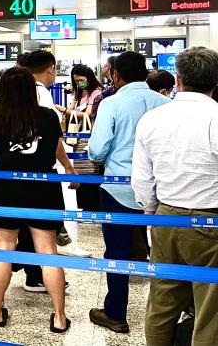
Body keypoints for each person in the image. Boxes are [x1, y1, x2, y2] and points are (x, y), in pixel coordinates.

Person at [133, 47, 218, 346]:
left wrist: (152, 211)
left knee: (162, 300)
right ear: (215, 82)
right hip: (210, 220)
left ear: (178, 79)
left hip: (166, 217)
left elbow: (142, 178)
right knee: (210, 308)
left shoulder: (152, 118)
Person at [0, 66, 74, 333]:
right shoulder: (47, 116)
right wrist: (68, 167)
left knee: (3, 248)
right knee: (48, 251)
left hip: (5, 186)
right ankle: (59, 317)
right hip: (43, 187)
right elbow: (55, 147)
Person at [86, 51, 169, 334]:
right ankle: (169, 317)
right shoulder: (164, 103)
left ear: (116, 75)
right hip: (161, 190)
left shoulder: (111, 103)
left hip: (118, 189)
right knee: (165, 254)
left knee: (117, 251)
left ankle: (115, 313)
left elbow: (97, 150)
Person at [19, 50, 89, 258]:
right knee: (50, 212)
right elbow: (52, 136)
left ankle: (32, 259)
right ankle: (60, 244)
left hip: (16, 164)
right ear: (51, 68)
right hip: (41, 165)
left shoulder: (18, 91)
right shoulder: (42, 93)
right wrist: (68, 166)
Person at [91, 55, 118, 121]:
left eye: (105, 65)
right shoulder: (111, 87)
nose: (102, 67)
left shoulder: (108, 93)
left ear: (109, 66)